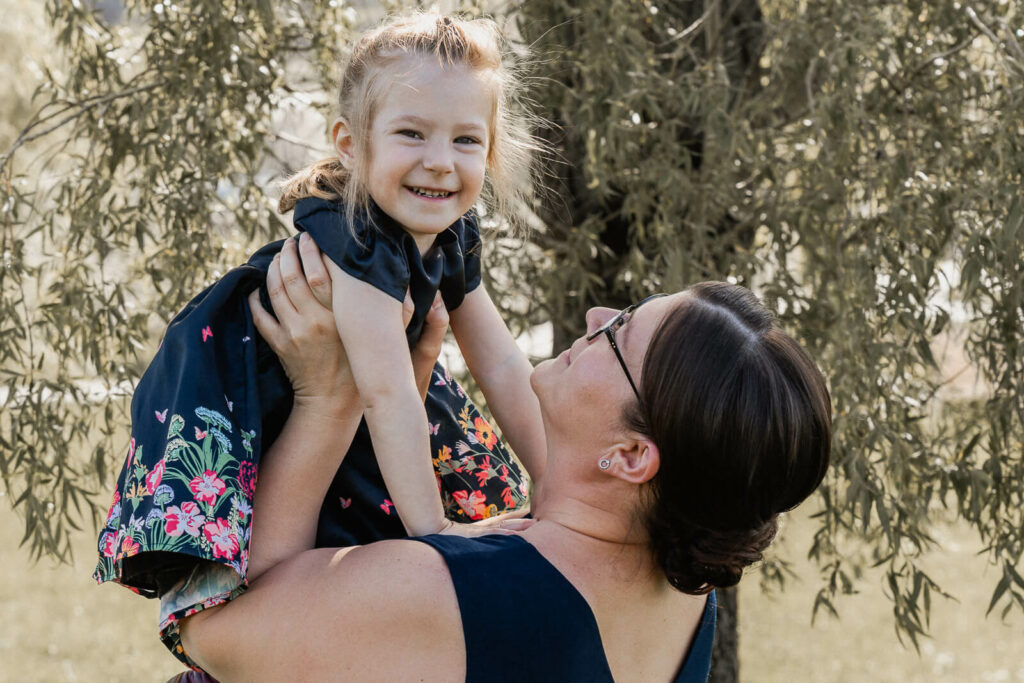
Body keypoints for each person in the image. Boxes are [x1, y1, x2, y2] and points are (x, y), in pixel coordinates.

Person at [94, 11, 544, 664]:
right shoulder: (356, 235)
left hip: (356, 398)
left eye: (466, 140)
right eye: (411, 133)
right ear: (351, 144)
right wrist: (434, 531)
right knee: (287, 573)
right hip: (260, 406)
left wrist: (556, 483)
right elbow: (386, 392)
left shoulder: (452, 232)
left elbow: (500, 361)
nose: (441, 162)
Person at [176, 239, 833, 681]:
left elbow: (214, 630)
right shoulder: (684, 596)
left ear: (631, 455)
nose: (595, 312)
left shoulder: (453, 592)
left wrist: (329, 394)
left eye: (617, 333)